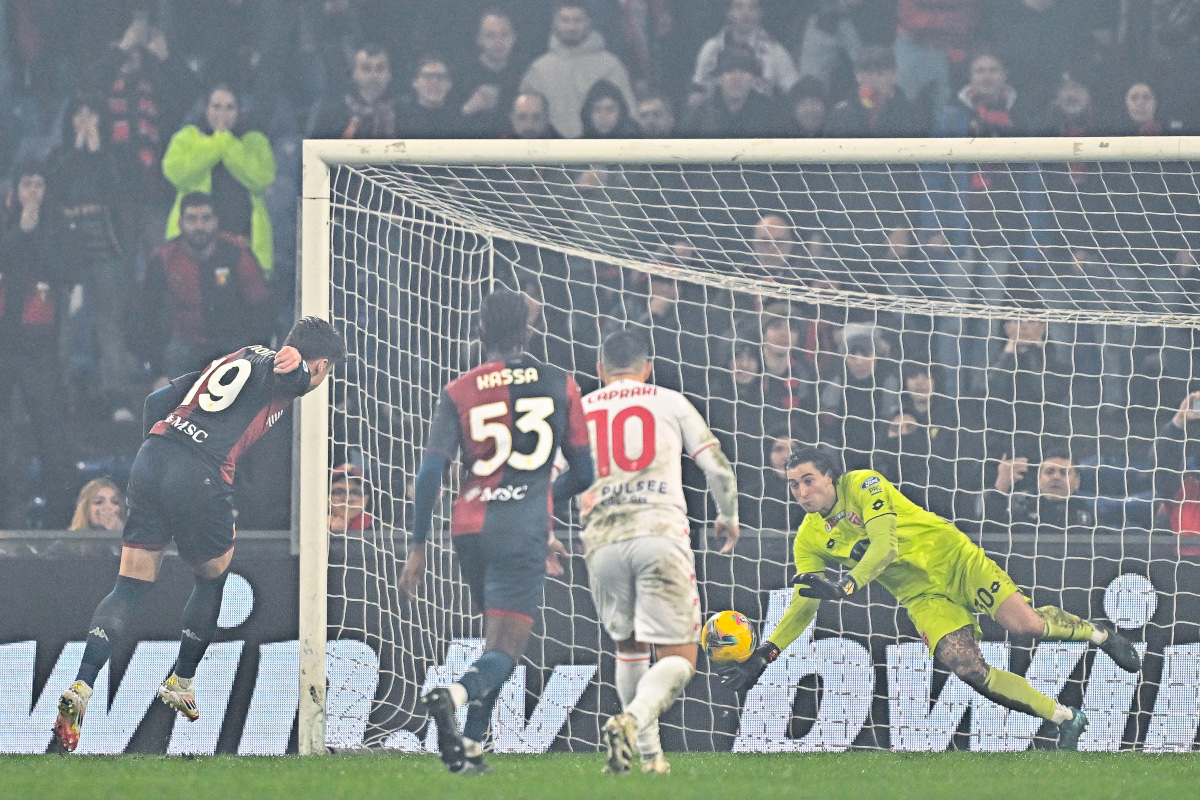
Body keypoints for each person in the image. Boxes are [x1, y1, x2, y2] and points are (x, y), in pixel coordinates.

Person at [720, 446, 1143, 751]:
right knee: (967, 668)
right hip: (921, 595)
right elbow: (804, 599)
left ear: (830, 477)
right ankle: (1065, 718)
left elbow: (884, 547)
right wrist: (768, 651)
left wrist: (848, 585)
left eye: (808, 480)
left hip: (955, 560)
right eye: (794, 485)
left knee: (1026, 626)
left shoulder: (865, 483)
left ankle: (1097, 634)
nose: (801, 491)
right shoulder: (809, 537)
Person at [53, 317, 346, 753]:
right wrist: (299, 365)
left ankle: (81, 685)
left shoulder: (238, 356)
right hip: (201, 472)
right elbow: (298, 373)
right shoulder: (293, 372)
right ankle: (182, 680)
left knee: (130, 585)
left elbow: (157, 400)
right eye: (325, 372)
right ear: (322, 365)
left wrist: (162, 458)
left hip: (153, 457)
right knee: (212, 577)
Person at [398, 289, 594, 775]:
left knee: (494, 639)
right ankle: (455, 695)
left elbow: (428, 476)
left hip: (468, 526)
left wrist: (417, 547)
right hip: (521, 529)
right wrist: (541, 500)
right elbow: (585, 473)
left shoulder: (459, 389)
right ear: (528, 333)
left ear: (480, 332)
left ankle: (470, 746)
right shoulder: (560, 383)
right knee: (506, 649)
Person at [577, 329, 739, 775]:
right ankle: (631, 720)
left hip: (602, 539)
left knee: (628, 646)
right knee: (680, 658)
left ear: (600, 371)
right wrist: (728, 515)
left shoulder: (581, 409)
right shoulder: (668, 400)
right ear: (647, 368)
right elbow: (716, 466)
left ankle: (648, 758)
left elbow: (557, 477)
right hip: (659, 533)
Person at [0, 164, 75, 528]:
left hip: (41, 344)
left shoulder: (59, 225)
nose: (33, 191)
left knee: (51, 431)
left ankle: (59, 518)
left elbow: (65, 273)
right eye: (26, 183)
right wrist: (22, 231)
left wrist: (34, 234)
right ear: (14, 189)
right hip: (2, 341)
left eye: (39, 183)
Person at [136, 193, 273, 379]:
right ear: (180, 224)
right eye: (191, 219)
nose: (199, 226)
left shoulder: (237, 254)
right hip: (187, 344)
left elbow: (262, 310)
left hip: (233, 345)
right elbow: (148, 315)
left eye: (206, 219)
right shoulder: (164, 259)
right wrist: (158, 372)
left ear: (216, 222)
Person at [163, 84, 276, 275]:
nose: (222, 113)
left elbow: (262, 179)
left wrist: (226, 142)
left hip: (243, 238)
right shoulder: (187, 137)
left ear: (239, 111)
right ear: (205, 108)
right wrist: (218, 142)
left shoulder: (255, 140)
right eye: (216, 106)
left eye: (229, 107)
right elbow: (175, 172)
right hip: (195, 240)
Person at [519, 2, 637, 139]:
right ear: (554, 22)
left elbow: (629, 116)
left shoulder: (610, 66)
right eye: (565, 20)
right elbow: (523, 118)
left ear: (589, 22)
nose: (571, 27)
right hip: (550, 152)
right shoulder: (538, 70)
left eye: (577, 20)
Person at [689, 0, 799, 108]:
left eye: (752, 7)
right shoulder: (710, 48)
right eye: (738, 7)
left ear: (760, 13)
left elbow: (795, 92)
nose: (745, 13)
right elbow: (697, 87)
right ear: (729, 12)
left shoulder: (775, 52)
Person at [985, 445, 1098, 535]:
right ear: (1039, 479)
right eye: (1049, 472)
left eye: (1064, 473)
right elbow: (988, 535)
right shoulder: (1020, 509)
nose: (1056, 477)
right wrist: (1001, 486)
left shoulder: (1088, 517)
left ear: (1077, 482)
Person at [825, 46, 930, 137]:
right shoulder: (841, 114)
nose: (874, 79)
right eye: (868, 73)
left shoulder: (910, 114)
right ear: (857, 74)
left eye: (880, 73)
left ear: (894, 73)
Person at [683, 44, 785, 138]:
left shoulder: (772, 115)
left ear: (754, 78)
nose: (737, 77)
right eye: (729, 70)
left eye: (745, 70)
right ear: (718, 78)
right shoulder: (699, 116)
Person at [456, 8, 524, 137]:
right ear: (479, 39)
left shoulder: (525, 74)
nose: (498, 42)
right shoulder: (460, 75)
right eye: (490, 35)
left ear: (514, 38)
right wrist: (467, 109)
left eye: (504, 34)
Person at [313, 43, 401, 140]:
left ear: (389, 74)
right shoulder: (331, 113)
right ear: (354, 73)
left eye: (380, 69)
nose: (373, 75)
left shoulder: (403, 113)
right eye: (366, 68)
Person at [397, 55, 464, 137]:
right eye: (427, 76)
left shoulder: (460, 120)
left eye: (440, 77)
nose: (434, 82)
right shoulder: (399, 118)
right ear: (415, 82)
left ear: (449, 84)